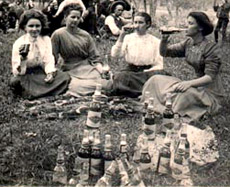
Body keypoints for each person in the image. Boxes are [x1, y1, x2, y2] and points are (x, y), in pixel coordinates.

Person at [142, 11, 224, 122]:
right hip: (195, 84)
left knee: (183, 95)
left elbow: (210, 77)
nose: (186, 26)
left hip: (209, 91)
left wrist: (188, 83)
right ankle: (157, 104)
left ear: (200, 28)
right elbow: (165, 53)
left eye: (190, 23)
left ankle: (166, 108)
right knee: (155, 80)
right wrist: (164, 40)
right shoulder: (188, 43)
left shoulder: (211, 48)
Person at [51, 3, 110, 97]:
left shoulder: (85, 35)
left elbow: (94, 58)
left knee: (106, 83)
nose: (75, 20)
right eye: (72, 17)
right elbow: (52, 58)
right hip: (70, 68)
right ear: (65, 17)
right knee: (75, 86)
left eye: (78, 18)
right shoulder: (58, 34)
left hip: (87, 67)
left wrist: (101, 71)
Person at [10, 9, 70, 99]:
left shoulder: (45, 39)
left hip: (41, 72)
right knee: (15, 82)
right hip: (27, 74)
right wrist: (23, 59)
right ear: (25, 27)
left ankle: (36, 93)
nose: (34, 29)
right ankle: (42, 92)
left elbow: (48, 59)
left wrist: (50, 73)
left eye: (37, 26)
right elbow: (17, 71)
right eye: (31, 26)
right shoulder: (19, 43)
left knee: (64, 77)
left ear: (42, 26)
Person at [110, 12, 166, 98]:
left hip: (147, 72)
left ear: (148, 24)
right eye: (135, 22)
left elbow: (159, 64)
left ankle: (134, 92)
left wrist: (146, 72)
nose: (137, 26)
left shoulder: (155, 41)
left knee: (160, 76)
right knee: (120, 76)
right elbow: (115, 55)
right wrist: (121, 37)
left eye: (140, 23)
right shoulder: (128, 38)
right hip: (130, 71)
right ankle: (141, 92)